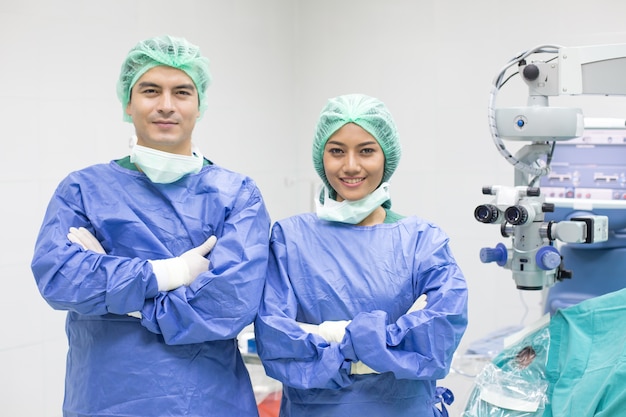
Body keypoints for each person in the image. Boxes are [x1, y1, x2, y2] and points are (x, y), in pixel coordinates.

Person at [31, 35, 271, 417]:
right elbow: (59, 277)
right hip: (106, 398)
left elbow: (227, 306)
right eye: (150, 90)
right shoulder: (82, 190)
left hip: (208, 401)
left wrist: (120, 292)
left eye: (181, 92)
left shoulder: (236, 195)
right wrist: (171, 272)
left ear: (199, 104)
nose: (165, 105)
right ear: (128, 102)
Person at [254, 93, 468, 417]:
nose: (351, 166)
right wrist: (389, 344)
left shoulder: (423, 242)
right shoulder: (289, 239)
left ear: (387, 157)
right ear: (321, 158)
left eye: (366, 151)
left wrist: (326, 338)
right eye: (337, 151)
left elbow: (438, 337)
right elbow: (276, 340)